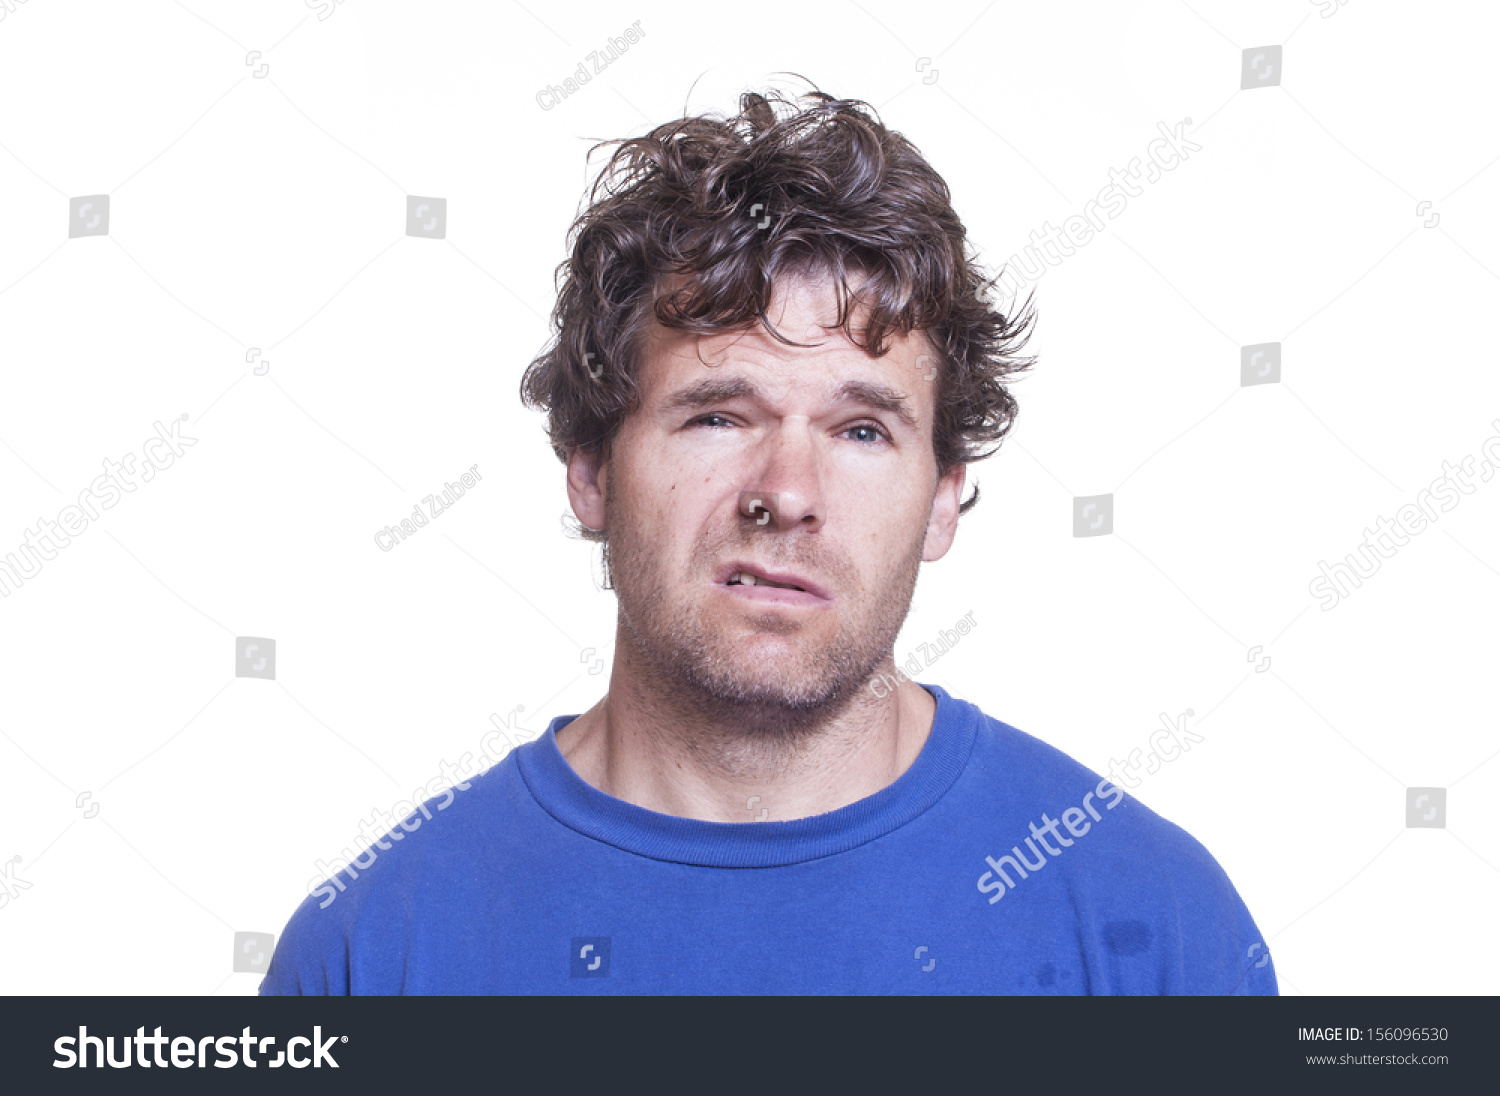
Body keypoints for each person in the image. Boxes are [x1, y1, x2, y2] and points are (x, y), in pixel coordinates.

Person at [261, 86, 1276, 995]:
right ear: (590, 467)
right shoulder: (373, 954)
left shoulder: (1155, 933)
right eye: (718, 414)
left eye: (862, 429)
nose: (789, 493)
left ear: (942, 500)